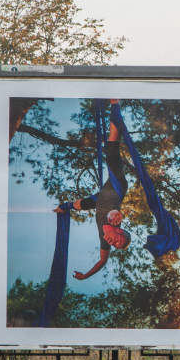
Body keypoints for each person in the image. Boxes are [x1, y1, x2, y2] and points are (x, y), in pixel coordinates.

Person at [54, 99, 131, 279]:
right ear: (119, 230)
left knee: (79, 205)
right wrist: (115, 214)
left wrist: (85, 276)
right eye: (117, 240)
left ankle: (64, 206)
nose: (113, 243)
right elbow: (115, 214)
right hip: (117, 187)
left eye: (115, 246)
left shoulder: (105, 239)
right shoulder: (115, 220)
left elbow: (103, 261)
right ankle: (115, 105)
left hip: (99, 200)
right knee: (111, 150)